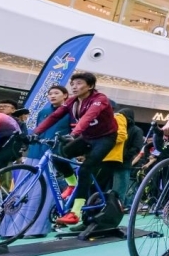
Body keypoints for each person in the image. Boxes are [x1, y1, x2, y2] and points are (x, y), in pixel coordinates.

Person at [33, 72, 118, 226]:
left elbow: (88, 116)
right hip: (87, 137)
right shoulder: (72, 101)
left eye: (79, 83)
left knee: (86, 169)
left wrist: (73, 134)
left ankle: (75, 213)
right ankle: (72, 184)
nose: (74, 87)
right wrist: (35, 133)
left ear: (90, 86)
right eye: (72, 84)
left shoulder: (100, 99)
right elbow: (54, 116)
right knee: (58, 156)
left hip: (105, 138)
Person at [19, 85, 70, 237]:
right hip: (35, 152)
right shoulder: (44, 111)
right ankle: (16, 227)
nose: (52, 96)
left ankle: (38, 228)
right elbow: (38, 129)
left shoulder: (70, 112)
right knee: (25, 189)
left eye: (56, 93)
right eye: (50, 93)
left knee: (45, 191)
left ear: (65, 95)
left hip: (54, 153)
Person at [114, 109, 144, 208]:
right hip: (111, 163)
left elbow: (137, 148)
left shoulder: (136, 130)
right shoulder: (117, 127)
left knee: (119, 191)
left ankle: (116, 211)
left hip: (123, 164)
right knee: (109, 190)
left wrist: (123, 155)